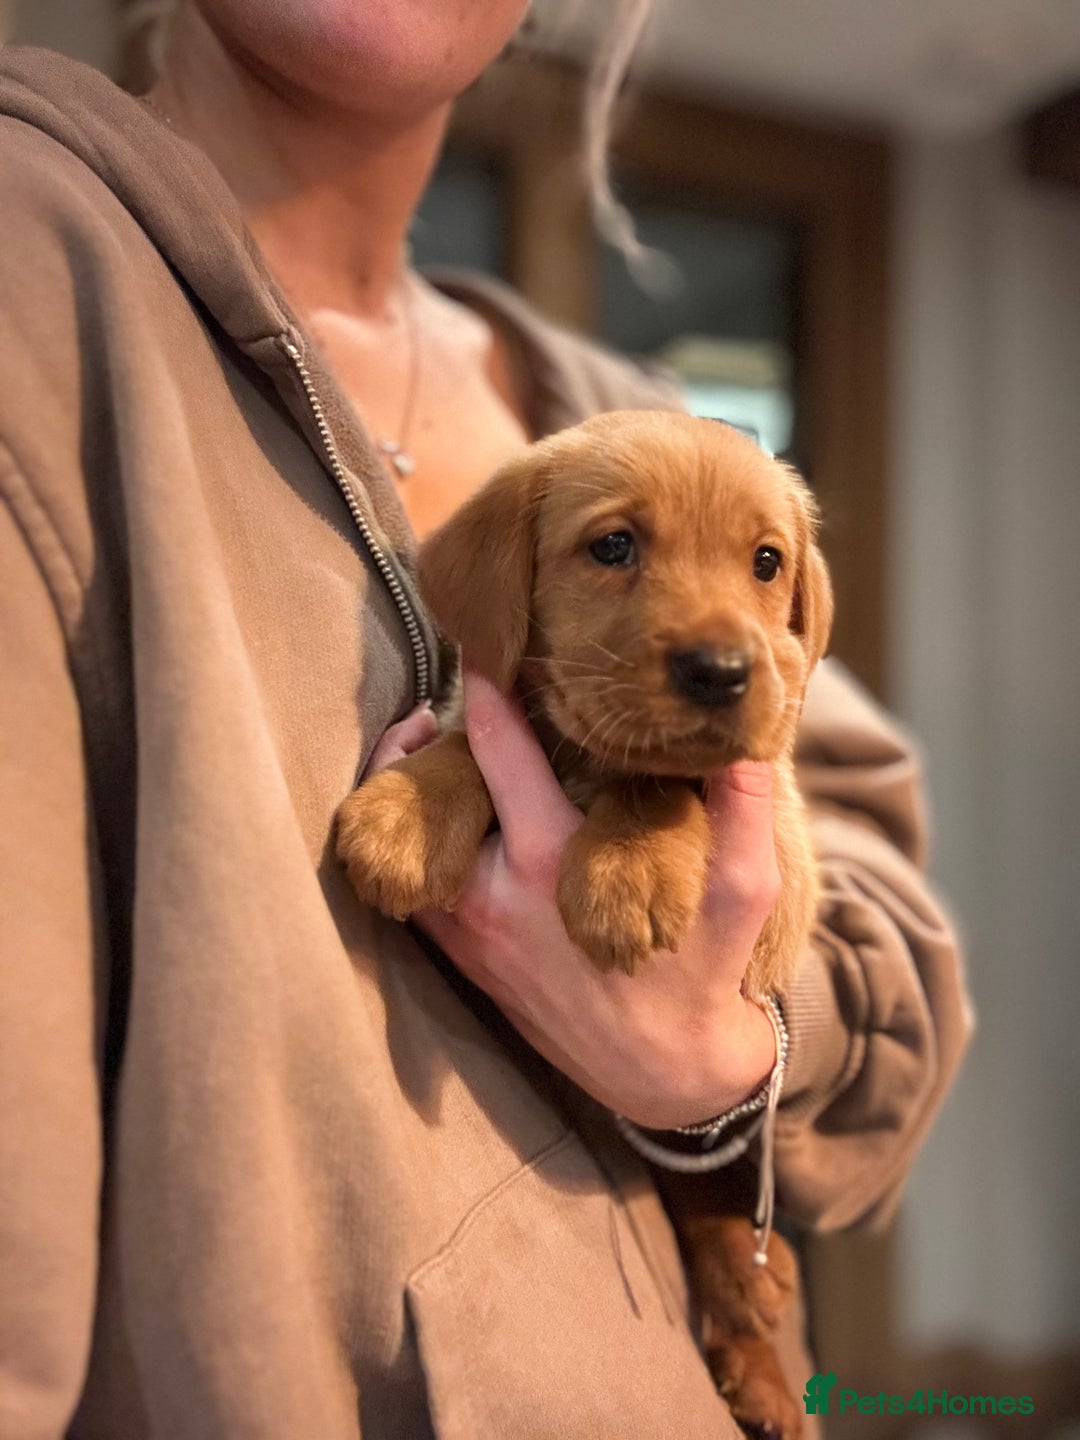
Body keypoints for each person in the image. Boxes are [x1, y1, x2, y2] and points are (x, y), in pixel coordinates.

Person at [0, 3, 972, 1436]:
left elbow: (895, 934)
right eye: (618, 551)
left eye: (761, 569)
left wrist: (727, 1055)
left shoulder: (623, 410)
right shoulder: (36, 285)